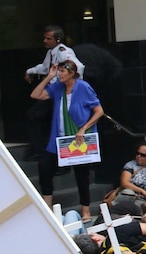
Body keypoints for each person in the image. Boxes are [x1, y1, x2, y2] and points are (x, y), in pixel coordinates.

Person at [30, 57, 102, 222]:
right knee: (45, 168)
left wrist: (83, 128)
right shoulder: (57, 88)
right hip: (59, 139)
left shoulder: (83, 87)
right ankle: (48, 207)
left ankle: (85, 210)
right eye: (59, 71)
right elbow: (35, 95)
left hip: (77, 139)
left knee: (81, 175)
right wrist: (49, 76)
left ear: (72, 73)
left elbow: (99, 111)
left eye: (62, 71)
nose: (60, 74)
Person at [24, 25, 78, 161]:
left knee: (58, 123)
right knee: (37, 117)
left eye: (48, 38)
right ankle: (42, 150)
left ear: (58, 39)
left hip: (58, 92)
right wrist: (30, 71)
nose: (44, 41)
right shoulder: (51, 52)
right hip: (51, 92)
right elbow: (44, 67)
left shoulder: (64, 52)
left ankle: (51, 155)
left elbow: (78, 67)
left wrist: (70, 87)